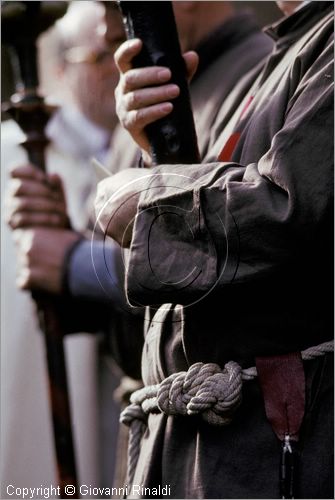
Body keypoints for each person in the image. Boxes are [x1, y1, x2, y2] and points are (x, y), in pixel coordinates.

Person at [95, 1, 334, 498]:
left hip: (281, 458)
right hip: (217, 456)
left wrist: (148, 202)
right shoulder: (292, 48)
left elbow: (289, 208)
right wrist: (155, 148)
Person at [1, 0, 126, 490]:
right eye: (98, 60)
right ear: (59, 68)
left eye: (118, 57)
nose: (114, 76)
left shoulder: (130, 150)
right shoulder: (15, 152)